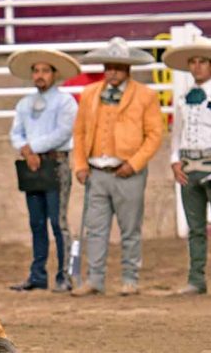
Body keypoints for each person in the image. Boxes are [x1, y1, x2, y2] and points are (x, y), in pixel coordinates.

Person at [70, 37, 163, 297]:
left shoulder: (145, 95)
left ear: (128, 69)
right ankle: (95, 279)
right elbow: (79, 132)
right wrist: (79, 164)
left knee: (129, 228)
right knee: (95, 228)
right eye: (108, 66)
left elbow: (155, 134)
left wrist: (133, 164)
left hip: (127, 172)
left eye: (117, 67)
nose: (111, 71)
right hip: (97, 170)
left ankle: (130, 278)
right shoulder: (89, 94)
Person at [7, 49, 80, 292]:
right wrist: (27, 151)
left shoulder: (66, 101)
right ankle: (38, 274)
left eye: (45, 71)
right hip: (33, 163)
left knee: (58, 222)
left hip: (56, 163)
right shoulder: (24, 103)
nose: (40, 75)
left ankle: (64, 274)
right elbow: (15, 132)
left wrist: (30, 149)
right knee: (36, 222)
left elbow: (63, 132)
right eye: (36, 71)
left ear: (54, 74)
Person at [163, 36, 211, 296]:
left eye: (202, 62)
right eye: (193, 62)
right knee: (196, 228)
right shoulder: (183, 98)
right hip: (190, 165)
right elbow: (176, 132)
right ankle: (196, 278)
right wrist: (175, 160)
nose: (197, 66)